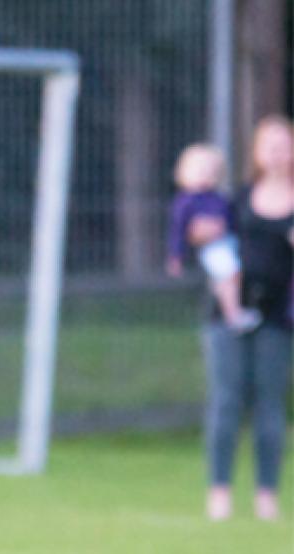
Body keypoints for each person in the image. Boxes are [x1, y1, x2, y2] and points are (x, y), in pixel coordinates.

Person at [197, 115, 293, 521]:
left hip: (277, 318)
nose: (277, 152)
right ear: (256, 152)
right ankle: (219, 491)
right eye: (269, 144)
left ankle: (266, 495)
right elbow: (210, 244)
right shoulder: (236, 201)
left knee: (270, 405)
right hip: (228, 316)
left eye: (284, 144)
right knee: (226, 402)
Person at [166, 143, 260, 332]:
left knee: (234, 273)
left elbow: (233, 222)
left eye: (210, 171)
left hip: (229, 242)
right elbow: (178, 232)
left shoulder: (220, 198)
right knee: (230, 273)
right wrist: (176, 256)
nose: (204, 176)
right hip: (213, 247)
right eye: (199, 170)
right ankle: (233, 315)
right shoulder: (185, 203)